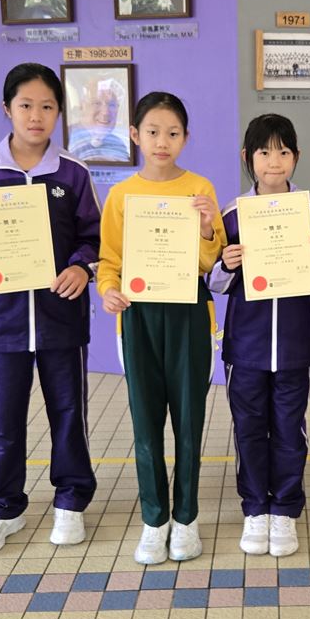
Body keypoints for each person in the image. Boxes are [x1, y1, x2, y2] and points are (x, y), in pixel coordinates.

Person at [0, 63, 101, 556]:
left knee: (68, 414)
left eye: (47, 106)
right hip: (1, 322)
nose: (36, 116)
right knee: (2, 423)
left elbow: (95, 239)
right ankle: (2, 510)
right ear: (7, 109)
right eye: (26, 105)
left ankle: (70, 502)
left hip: (61, 319)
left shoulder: (73, 173)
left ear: (59, 113)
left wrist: (82, 269)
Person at [96, 92, 224, 564]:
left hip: (189, 311)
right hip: (138, 315)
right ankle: (155, 519)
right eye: (152, 132)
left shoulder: (200, 188)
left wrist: (207, 228)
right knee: (146, 422)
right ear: (135, 135)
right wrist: (108, 289)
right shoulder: (121, 195)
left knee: (189, 420)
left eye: (172, 133)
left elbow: (211, 262)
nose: (162, 141)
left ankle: (186, 518)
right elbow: (109, 258)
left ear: (186, 138)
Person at [207, 114, 310, 557]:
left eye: (283, 152)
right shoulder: (232, 214)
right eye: (264, 152)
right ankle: (254, 508)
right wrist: (227, 264)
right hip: (245, 346)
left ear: (296, 157)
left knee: (288, 428)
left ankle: (284, 508)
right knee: (248, 428)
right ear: (248, 157)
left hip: (295, 344)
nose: (274, 161)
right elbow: (213, 283)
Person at [66, 77, 132, 164]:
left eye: (111, 104)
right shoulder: (66, 140)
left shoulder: (117, 144)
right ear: (82, 106)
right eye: (96, 103)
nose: (105, 112)